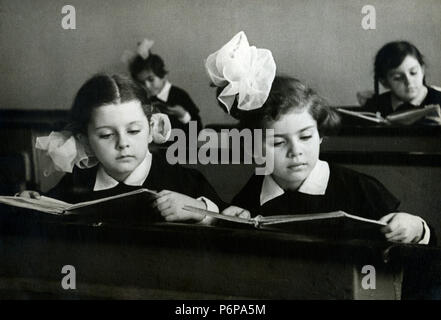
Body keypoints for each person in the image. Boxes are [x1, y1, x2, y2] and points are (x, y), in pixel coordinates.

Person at [205, 32, 433, 245]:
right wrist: (228, 225)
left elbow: (420, 245)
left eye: (305, 136)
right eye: (277, 142)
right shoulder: (253, 192)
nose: (296, 151)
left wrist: (417, 229)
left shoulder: (358, 188)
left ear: (320, 134)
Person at [19, 73, 222, 223]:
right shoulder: (76, 182)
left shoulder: (183, 180)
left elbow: (228, 218)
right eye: (106, 135)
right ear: (86, 140)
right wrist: (29, 205)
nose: (123, 143)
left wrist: (199, 209)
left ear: (151, 130)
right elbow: (47, 214)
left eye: (133, 131)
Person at [128, 39, 203, 134]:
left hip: (181, 146)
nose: (147, 86)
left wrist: (183, 115)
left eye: (151, 79)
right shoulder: (143, 99)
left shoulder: (179, 95)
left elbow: (198, 130)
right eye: (142, 83)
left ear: (162, 75)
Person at [359, 41, 441, 123]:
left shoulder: (438, 99)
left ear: (422, 70)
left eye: (413, 73)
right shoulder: (375, 106)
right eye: (397, 78)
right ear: (385, 82)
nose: (409, 82)